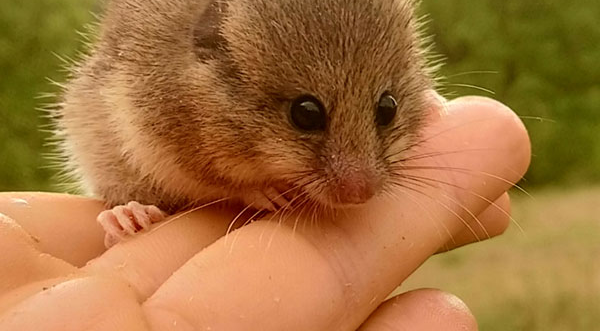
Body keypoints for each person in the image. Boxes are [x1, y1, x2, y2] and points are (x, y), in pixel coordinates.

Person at [0, 96, 530, 330]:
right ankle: (124, 207)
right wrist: (239, 184)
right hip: (145, 178)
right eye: (306, 116)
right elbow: (168, 132)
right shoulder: (180, 96)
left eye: (384, 111)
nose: (358, 187)